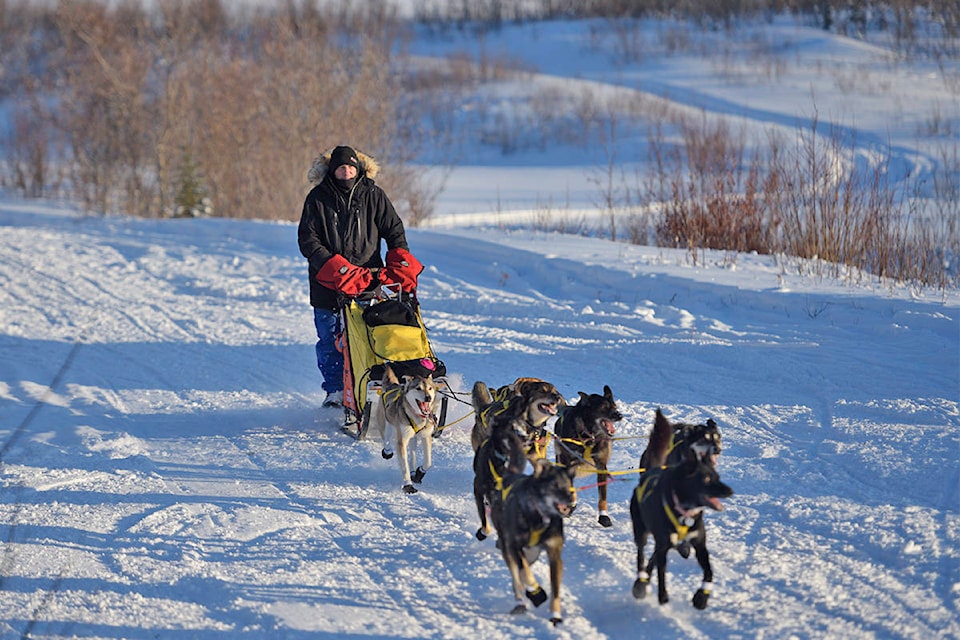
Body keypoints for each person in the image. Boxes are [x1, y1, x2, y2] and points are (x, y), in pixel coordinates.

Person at [297, 145, 418, 411]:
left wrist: (400, 258)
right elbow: (308, 239)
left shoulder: (373, 195)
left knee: (371, 336)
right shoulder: (317, 198)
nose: (347, 172)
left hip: (367, 282)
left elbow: (393, 229)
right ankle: (336, 391)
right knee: (331, 339)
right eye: (342, 168)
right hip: (327, 283)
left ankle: (370, 387)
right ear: (333, 170)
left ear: (359, 168)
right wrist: (333, 266)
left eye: (351, 167)